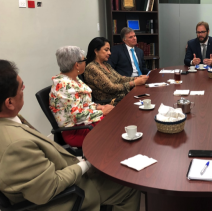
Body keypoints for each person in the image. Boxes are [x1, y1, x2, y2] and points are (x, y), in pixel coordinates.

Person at [0, 60, 141, 211]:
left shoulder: (12, 119)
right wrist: (85, 164)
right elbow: (48, 188)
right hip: (66, 196)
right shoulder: (14, 144)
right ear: (9, 103)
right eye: (21, 87)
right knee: (128, 186)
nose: (24, 88)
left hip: (61, 170)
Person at [50, 46, 114, 147]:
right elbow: (77, 116)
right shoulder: (64, 85)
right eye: (84, 60)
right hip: (75, 131)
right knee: (114, 130)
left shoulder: (74, 79)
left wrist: (99, 107)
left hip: (85, 124)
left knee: (115, 119)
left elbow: (84, 104)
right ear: (77, 65)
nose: (85, 62)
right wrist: (102, 112)